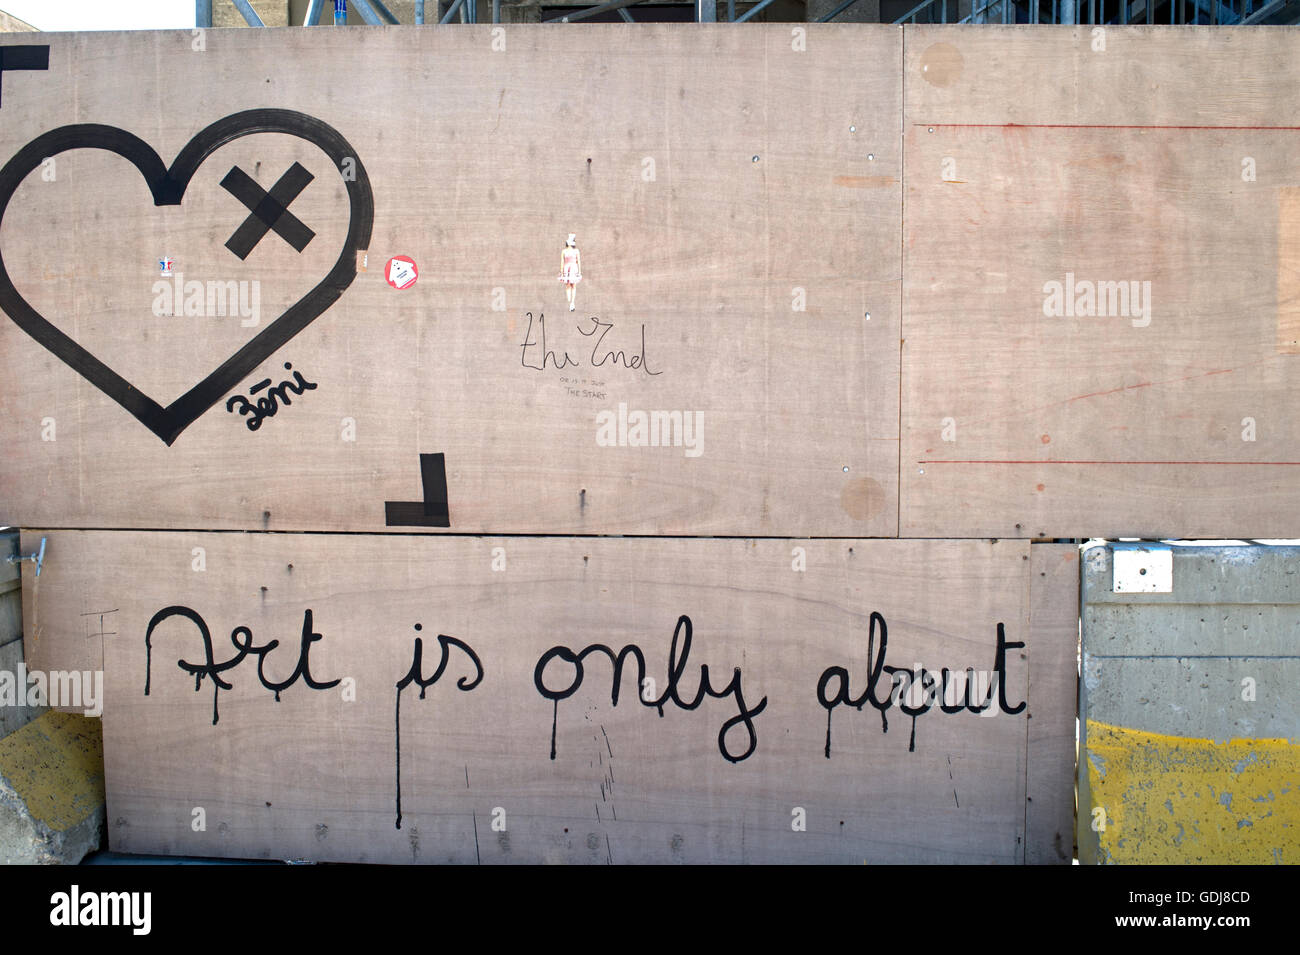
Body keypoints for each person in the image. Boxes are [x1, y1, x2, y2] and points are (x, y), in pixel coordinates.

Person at [559, 233, 581, 311]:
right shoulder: (565, 251)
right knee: (570, 285)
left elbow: (578, 261)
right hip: (569, 268)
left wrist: (579, 271)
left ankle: (571, 302)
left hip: (572, 268)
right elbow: (562, 261)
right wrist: (562, 271)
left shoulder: (574, 251)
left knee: (571, 285)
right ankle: (570, 302)